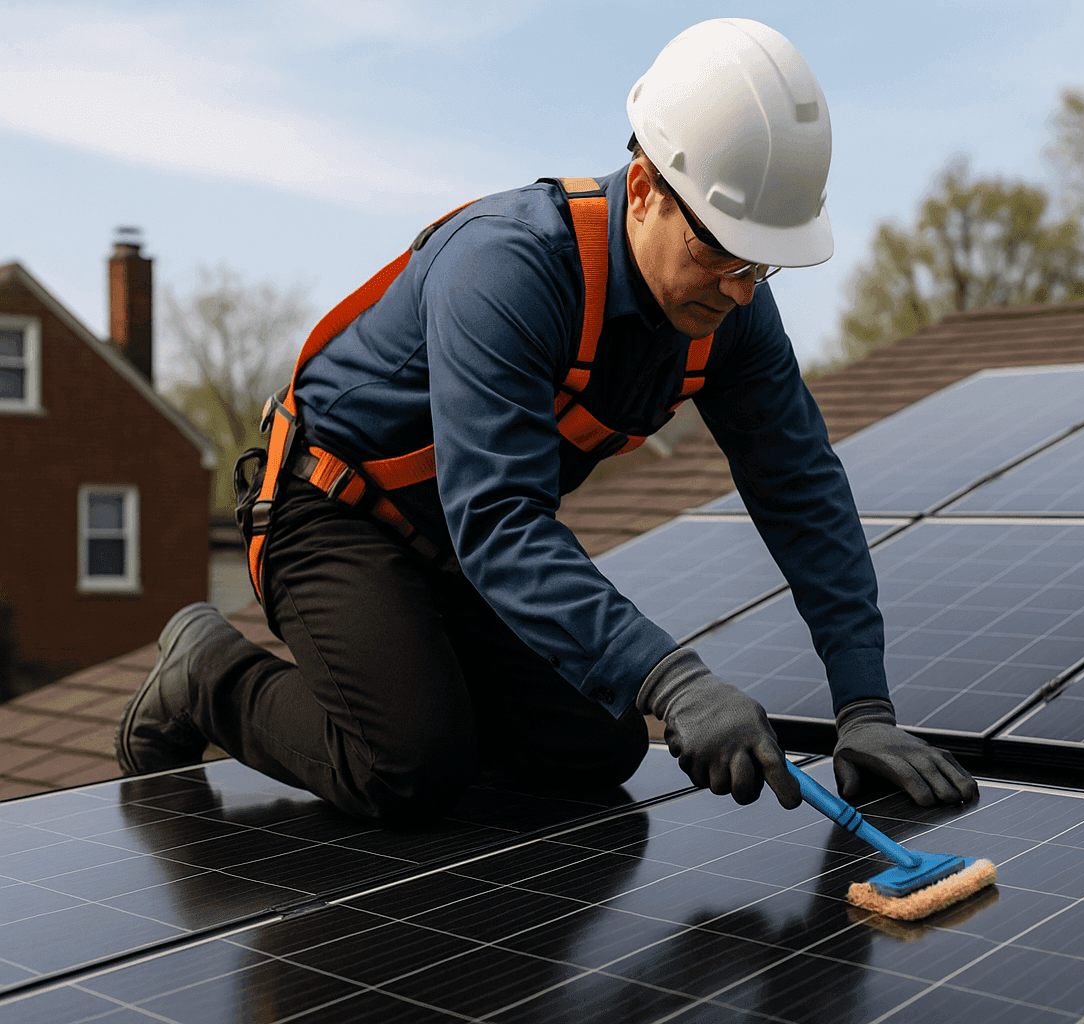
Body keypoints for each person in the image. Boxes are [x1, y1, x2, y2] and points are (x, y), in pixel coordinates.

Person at [115, 18, 978, 825]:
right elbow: (498, 519)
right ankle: (207, 671)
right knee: (409, 765)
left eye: (764, 263)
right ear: (645, 189)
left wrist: (864, 706)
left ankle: (426, 699)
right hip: (330, 510)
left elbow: (804, 495)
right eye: (720, 248)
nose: (741, 288)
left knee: (595, 748)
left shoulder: (733, 314)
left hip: (452, 547)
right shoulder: (509, 267)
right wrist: (674, 679)